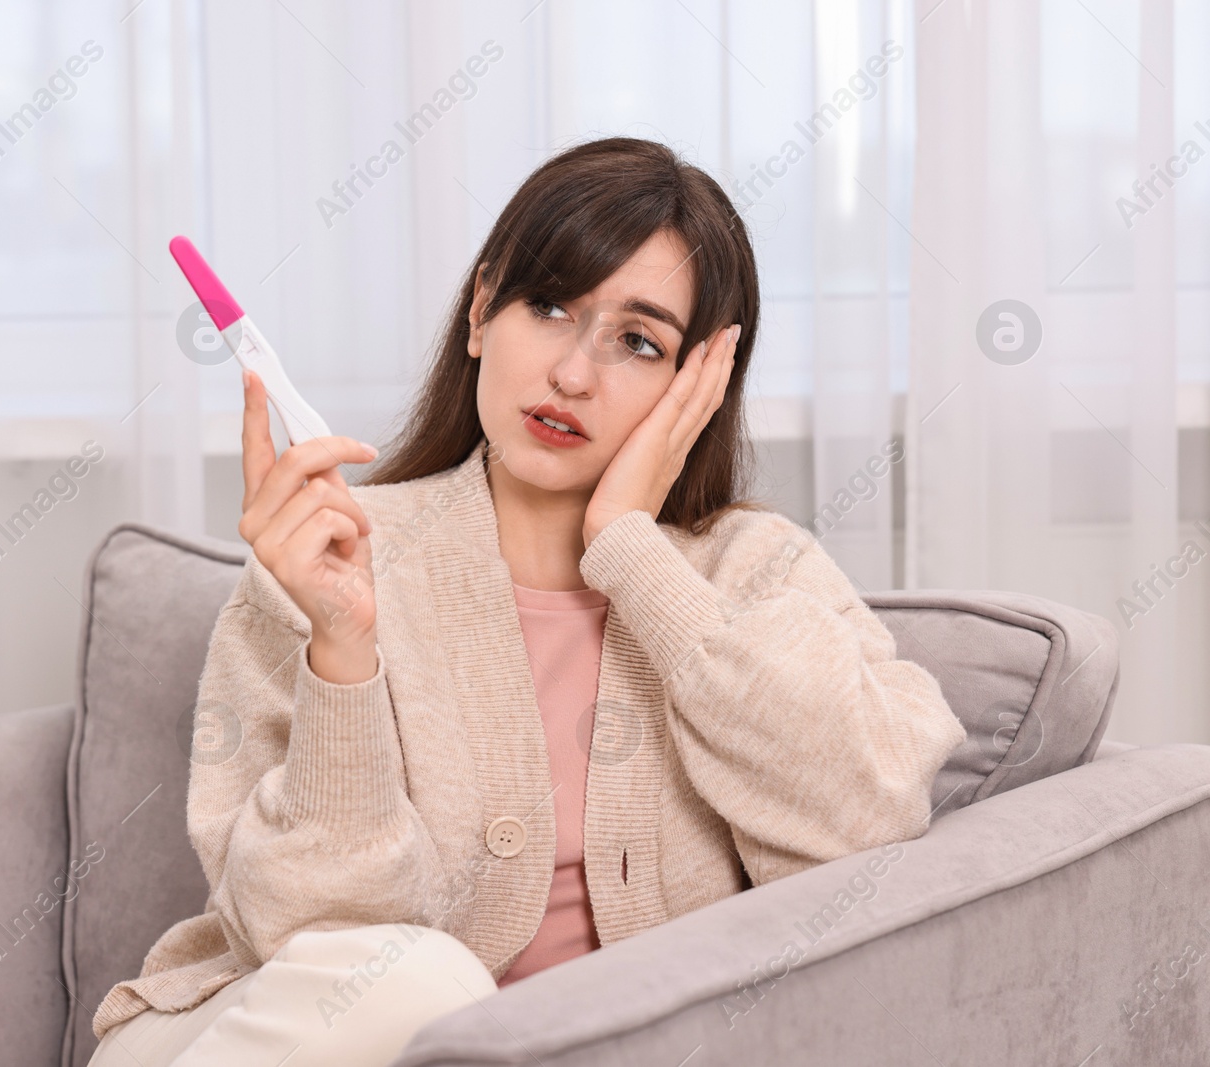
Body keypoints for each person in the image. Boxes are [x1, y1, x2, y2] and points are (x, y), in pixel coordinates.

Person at [85, 136, 966, 1067]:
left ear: (696, 388)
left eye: (638, 341)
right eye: (548, 306)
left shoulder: (754, 573)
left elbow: (865, 821)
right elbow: (309, 932)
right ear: (479, 314)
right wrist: (342, 653)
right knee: (422, 987)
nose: (573, 374)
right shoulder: (328, 558)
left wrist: (630, 546)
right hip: (257, 1037)